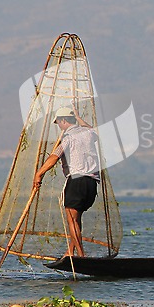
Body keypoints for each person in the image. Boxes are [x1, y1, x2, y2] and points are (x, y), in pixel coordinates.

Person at [33, 106, 99, 257]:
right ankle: (71, 252)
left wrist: (39, 174)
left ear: (63, 121)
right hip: (91, 184)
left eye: (59, 123)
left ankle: (81, 256)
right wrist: (78, 117)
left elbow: (54, 157)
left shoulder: (68, 138)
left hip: (76, 181)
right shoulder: (88, 133)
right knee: (76, 220)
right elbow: (92, 130)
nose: (59, 126)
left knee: (71, 220)